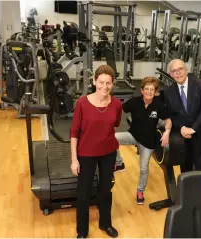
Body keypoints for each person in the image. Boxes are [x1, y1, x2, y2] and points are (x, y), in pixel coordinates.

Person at [70, 65, 122, 238]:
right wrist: (74, 159)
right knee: (83, 192)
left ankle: (105, 224)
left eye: (108, 83)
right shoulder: (82, 103)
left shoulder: (116, 104)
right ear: (94, 81)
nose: (104, 87)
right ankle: (82, 231)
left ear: (112, 84)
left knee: (106, 189)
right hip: (86, 153)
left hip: (108, 152)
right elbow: (74, 132)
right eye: (101, 82)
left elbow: (114, 124)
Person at [114, 77, 172, 204]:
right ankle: (119, 163)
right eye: (147, 89)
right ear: (142, 90)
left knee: (143, 169)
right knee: (113, 139)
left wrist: (167, 132)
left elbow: (168, 121)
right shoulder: (134, 102)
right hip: (133, 136)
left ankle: (140, 191)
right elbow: (119, 108)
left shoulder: (159, 105)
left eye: (152, 90)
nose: (149, 92)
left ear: (156, 92)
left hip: (148, 143)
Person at [163, 59, 201, 175]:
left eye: (180, 69)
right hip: (183, 135)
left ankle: (199, 192)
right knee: (185, 167)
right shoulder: (168, 92)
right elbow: (172, 115)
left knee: (200, 168)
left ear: (186, 70)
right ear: (170, 74)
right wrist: (182, 127)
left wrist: (192, 129)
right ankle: (187, 192)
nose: (178, 73)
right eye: (174, 71)